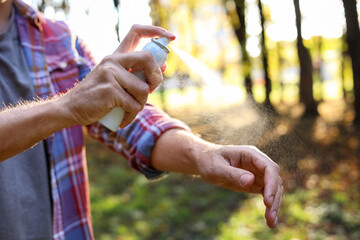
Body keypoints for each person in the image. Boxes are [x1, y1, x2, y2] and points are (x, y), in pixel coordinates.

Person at [0, 0, 284, 239]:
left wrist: (203, 153)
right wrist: (66, 107)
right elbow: (76, 104)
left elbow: (125, 121)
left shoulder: (58, 40)